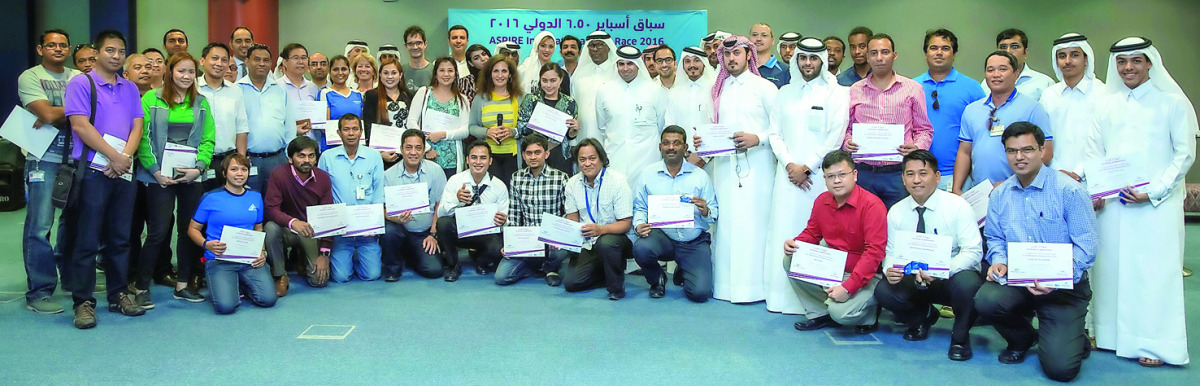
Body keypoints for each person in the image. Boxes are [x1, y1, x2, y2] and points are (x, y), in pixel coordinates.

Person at [1089, 37, 1196, 368]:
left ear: (1150, 62)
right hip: (1114, 205)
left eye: (1136, 61)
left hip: (1154, 207)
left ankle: (1154, 344)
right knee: (1109, 271)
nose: (1128, 68)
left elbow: (1184, 154)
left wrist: (1155, 191)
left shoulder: (1172, 103)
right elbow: (1095, 153)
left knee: (1152, 275)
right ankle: (1109, 336)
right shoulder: (1106, 105)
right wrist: (1097, 191)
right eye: (1122, 62)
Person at [973, 123, 1097, 382]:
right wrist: (999, 261)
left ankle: (1075, 334)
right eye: (1012, 151)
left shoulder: (1070, 191)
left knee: (1060, 370)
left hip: (1064, 288)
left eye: (1027, 150)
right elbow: (995, 237)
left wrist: (1056, 279)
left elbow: (1087, 248)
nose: (1019, 157)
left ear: (1042, 150)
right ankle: (1023, 338)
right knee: (986, 299)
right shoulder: (1000, 194)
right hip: (1019, 281)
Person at [60, 30, 146, 329]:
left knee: (120, 238)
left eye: (121, 51)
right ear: (97, 53)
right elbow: (81, 126)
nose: (116, 56)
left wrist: (124, 159)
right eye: (110, 50)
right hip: (93, 173)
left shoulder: (130, 88)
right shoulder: (81, 83)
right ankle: (83, 301)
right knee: (86, 239)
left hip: (123, 172)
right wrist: (114, 156)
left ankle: (118, 293)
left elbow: (138, 125)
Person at [764, 38, 850, 314]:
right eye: (803, 58)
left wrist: (808, 166)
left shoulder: (837, 93)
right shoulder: (785, 92)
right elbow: (774, 132)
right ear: (795, 60)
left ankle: (814, 302)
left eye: (813, 59)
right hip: (787, 177)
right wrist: (790, 164)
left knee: (816, 232)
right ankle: (779, 297)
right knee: (783, 230)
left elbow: (836, 135)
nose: (808, 64)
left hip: (818, 179)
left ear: (822, 61)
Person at [875, 150, 984, 361]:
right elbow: (890, 252)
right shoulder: (896, 211)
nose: (916, 180)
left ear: (937, 176)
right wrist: (890, 268)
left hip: (950, 276)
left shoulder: (958, 206)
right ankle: (922, 318)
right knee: (884, 290)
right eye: (910, 174)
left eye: (923, 173)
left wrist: (943, 270)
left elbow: (973, 251)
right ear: (903, 179)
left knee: (968, 284)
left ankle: (960, 338)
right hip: (914, 277)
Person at [697, 34, 777, 303]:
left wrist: (758, 138)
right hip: (724, 170)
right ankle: (725, 287)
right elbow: (712, 126)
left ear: (748, 56)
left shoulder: (765, 87)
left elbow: (779, 129)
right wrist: (702, 140)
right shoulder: (718, 89)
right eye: (727, 55)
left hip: (759, 168)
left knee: (754, 225)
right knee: (727, 225)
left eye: (737, 54)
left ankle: (755, 290)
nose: (732, 59)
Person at [133, 52, 216, 304]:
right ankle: (140, 286)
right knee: (158, 231)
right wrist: (155, 170)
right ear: (169, 72)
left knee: (187, 230)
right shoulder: (151, 98)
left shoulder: (201, 102)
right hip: (158, 176)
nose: (186, 76)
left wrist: (199, 168)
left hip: (190, 175)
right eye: (181, 71)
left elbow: (208, 139)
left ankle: (182, 284)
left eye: (191, 72)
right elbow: (144, 138)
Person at [783, 150, 886, 333]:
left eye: (841, 175)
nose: (836, 181)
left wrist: (848, 288)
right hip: (834, 266)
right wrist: (795, 243)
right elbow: (812, 234)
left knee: (842, 314)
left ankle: (869, 314)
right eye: (830, 176)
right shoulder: (822, 201)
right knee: (791, 259)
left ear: (854, 175)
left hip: (866, 274)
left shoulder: (872, 205)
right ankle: (822, 313)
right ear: (824, 179)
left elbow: (874, 254)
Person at [17, 29, 81, 315]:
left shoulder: (78, 77)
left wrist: (57, 112)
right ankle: (40, 291)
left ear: (68, 49)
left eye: (62, 45)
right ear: (40, 49)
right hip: (43, 158)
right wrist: (72, 111)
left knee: (74, 223)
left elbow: (88, 111)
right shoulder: (30, 77)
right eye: (51, 45)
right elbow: (48, 115)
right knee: (40, 226)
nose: (57, 49)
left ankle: (69, 278)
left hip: (77, 158)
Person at [842, 33, 933, 209]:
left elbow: (924, 129)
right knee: (863, 227)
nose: (879, 58)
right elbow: (846, 128)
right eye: (874, 53)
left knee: (899, 226)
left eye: (885, 52)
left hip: (898, 173)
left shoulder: (912, 88)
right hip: (864, 173)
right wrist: (847, 142)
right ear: (867, 57)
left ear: (894, 55)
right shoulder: (855, 90)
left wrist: (917, 148)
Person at [631, 126, 718, 302]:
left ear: (685, 148)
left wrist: (705, 210)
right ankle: (657, 279)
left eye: (676, 143)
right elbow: (639, 207)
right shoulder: (647, 175)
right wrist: (639, 224)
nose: (671, 147)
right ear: (660, 147)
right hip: (663, 237)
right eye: (666, 143)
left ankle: (684, 268)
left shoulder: (700, 176)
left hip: (693, 241)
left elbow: (714, 212)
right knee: (641, 247)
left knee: (700, 294)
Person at [187, 154, 277, 314]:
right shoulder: (210, 197)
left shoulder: (256, 197)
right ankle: (228, 284)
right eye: (234, 169)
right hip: (219, 260)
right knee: (226, 307)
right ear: (224, 173)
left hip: (249, 260)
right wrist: (206, 244)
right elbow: (192, 229)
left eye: (244, 169)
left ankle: (240, 283)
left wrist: (262, 251)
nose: (239, 174)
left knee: (268, 299)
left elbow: (258, 228)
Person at [952, 51, 1053, 194]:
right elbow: (964, 152)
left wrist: (1014, 181)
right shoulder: (971, 110)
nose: (996, 74)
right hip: (980, 193)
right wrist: (956, 188)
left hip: (1020, 190)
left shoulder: (1032, 108)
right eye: (990, 70)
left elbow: (1046, 152)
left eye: (1003, 69)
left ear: (1016, 74)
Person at [561, 139, 633, 300]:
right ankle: (604, 272)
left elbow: (626, 224)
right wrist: (561, 236)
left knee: (606, 243)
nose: (587, 163)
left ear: (601, 158)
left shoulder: (618, 182)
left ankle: (616, 288)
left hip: (615, 239)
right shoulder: (572, 184)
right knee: (571, 284)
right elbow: (572, 219)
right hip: (587, 242)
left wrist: (601, 230)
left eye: (592, 158)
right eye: (582, 159)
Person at [914, 29, 986, 190]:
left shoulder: (972, 88)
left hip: (960, 176)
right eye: (933, 48)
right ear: (926, 53)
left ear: (954, 54)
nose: (939, 53)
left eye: (945, 48)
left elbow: (982, 132)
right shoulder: (911, 87)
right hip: (919, 175)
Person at [318, 114, 386, 282]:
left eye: (355, 129)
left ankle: (360, 257)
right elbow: (321, 193)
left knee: (372, 275)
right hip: (341, 230)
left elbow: (378, 191)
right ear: (339, 133)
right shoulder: (327, 157)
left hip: (367, 229)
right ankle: (348, 259)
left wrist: (375, 225)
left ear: (361, 132)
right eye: (346, 129)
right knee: (341, 277)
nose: (351, 133)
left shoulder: (374, 156)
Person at [498, 134, 571, 286]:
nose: (533, 157)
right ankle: (540, 266)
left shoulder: (561, 178)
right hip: (527, 240)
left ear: (546, 153)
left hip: (552, 240)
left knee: (562, 251)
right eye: (529, 153)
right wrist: (511, 244)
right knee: (502, 277)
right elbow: (514, 214)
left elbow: (568, 213)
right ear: (523, 156)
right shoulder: (517, 178)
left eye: (537, 152)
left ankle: (549, 266)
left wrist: (558, 236)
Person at [264, 136, 334, 291]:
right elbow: (270, 209)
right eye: (301, 156)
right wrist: (293, 222)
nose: (306, 160)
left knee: (319, 281)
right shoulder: (279, 174)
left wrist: (324, 254)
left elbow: (328, 216)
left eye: (311, 156)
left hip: (311, 232)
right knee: (270, 228)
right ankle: (280, 274)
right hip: (287, 229)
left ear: (316, 158)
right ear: (290, 159)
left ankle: (303, 256)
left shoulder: (323, 178)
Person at [436, 141, 509, 281]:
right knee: (444, 223)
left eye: (483, 158)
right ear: (467, 160)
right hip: (460, 233)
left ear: (490, 161)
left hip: (485, 235)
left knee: (497, 248)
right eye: (474, 157)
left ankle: (480, 259)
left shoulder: (499, 186)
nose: (478, 162)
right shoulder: (455, 180)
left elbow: (505, 220)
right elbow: (441, 214)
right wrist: (457, 200)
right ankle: (453, 265)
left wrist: (503, 221)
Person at [596, 45, 667, 189]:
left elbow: (661, 125)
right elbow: (602, 126)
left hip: (647, 158)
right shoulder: (604, 90)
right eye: (621, 64)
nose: (625, 68)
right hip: (615, 156)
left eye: (630, 64)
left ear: (638, 65)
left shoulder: (655, 91)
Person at [381, 130, 447, 281]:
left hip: (424, 232)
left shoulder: (435, 171)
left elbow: (439, 204)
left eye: (418, 148)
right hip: (400, 229)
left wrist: (433, 234)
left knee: (434, 270)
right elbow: (382, 208)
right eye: (408, 147)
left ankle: (412, 255)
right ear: (401, 149)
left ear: (424, 150)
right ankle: (393, 269)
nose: (413, 152)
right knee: (389, 231)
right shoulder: (388, 175)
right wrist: (395, 218)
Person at [1042, 33, 1106, 177]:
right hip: (1054, 175)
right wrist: (1058, 172)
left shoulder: (1103, 93)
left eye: (1074, 55)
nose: (1068, 61)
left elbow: (1105, 141)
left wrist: (1079, 172)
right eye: (1062, 56)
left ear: (1086, 60)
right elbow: (1042, 139)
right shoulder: (1048, 95)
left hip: (1093, 177)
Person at [239, 44, 300, 194]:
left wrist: (288, 156)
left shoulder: (280, 90)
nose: (261, 63)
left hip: (277, 159)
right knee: (250, 202)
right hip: (249, 159)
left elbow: (290, 127)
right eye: (256, 59)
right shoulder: (236, 90)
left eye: (266, 60)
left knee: (276, 201)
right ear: (247, 61)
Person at [197, 43, 250, 191]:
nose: (219, 64)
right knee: (198, 207)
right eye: (214, 58)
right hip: (197, 160)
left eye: (224, 60)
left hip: (227, 160)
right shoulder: (193, 88)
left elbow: (241, 127)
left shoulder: (235, 90)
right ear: (202, 61)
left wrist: (240, 161)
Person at [408, 57, 471, 178]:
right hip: (426, 156)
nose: (446, 74)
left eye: (450, 70)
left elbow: (465, 130)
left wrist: (443, 134)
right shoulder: (424, 92)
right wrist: (426, 148)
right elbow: (411, 123)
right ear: (435, 74)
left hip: (452, 161)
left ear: (455, 74)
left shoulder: (462, 99)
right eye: (442, 70)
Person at [468, 55, 522, 186]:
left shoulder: (520, 97)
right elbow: (472, 127)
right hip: (488, 156)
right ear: (489, 74)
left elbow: (529, 127)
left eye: (504, 71)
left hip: (514, 155)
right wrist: (487, 132)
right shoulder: (480, 98)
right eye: (495, 71)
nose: (500, 75)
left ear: (510, 74)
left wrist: (513, 132)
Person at [516, 63, 579, 174]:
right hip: (534, 155)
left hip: (560, 156)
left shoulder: (570, 103)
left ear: (561, 80)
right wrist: (536, 128)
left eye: (553, 80)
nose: (549, 85)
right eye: (544, 81)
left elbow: (568, 136)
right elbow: (520, 127)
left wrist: (573, 132)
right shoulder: (531, 100)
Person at [664, 46, 715, 169]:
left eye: (696, 60)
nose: (692, 65)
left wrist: (705, 156)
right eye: (687, 61)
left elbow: (720, 126)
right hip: (682, 160)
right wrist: (686, 155)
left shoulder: (715, 90)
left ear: (704, 63)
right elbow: (670, 127)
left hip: (713, 160)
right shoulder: (675, 93)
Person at [361, 57, 410, 168]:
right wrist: (379, 153)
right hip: (381, 154)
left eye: (394, 73)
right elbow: (368, 125)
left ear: (400, 75)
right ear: (380, 75)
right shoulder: (372, 96)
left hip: (406, 153)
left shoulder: (409, 96)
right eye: (386, 73)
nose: (390, 77)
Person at [982, 28, 1056, 101]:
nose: (1008, 51)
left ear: (1025, 52)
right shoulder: (987, 83)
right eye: (1003, 47)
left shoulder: (1045, 83)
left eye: (1014, 47)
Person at [572, 30, 617, 142]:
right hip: (583, 135)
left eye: (600, 45)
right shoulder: (579, 74)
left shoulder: (617, 72)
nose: (595, 49)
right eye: (591, 45)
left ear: (609, 47)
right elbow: (573, 107)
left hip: (612, 137)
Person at [320, 55, 364, 151]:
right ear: (329, 71)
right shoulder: (325, 93)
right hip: (332, 147)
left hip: (356, 147)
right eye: (336, 69)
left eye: (344, 69)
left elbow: (361, 123)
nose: (340, 73)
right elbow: (324, 126)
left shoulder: (358, 94)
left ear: (349, 71)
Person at [278, 43, 320, 143]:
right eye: (296, 58)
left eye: (304, 58)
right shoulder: (276, 87)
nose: (301, 62)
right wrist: (293, 130)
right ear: (285, 62)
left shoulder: (313, 87)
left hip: (312, 144)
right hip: (288, 145)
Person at [750, 23, 789, 88]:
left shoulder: (785, 70)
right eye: (754, 35)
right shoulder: (742, 68)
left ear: (772, 41)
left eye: (764, 35)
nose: (758, 39)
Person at [402, 26, 433, 94]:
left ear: (425, 44)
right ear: (406, 46)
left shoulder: (435, 71)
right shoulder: (400, 71)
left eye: (418, 43)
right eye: (410, 44)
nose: (415, 47)